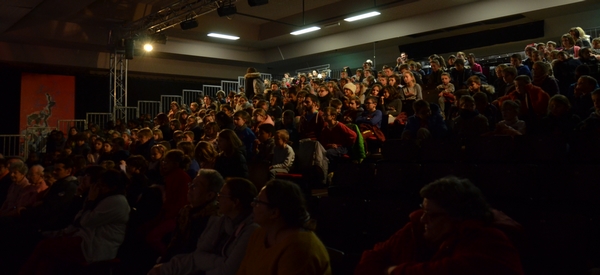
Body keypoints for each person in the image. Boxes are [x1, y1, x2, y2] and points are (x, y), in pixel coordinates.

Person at [355, 176, 524, 275]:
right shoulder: (416, 228)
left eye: (433, 215)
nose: (423, 219)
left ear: (458, 216)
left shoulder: (491, 241)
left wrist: (392, 271)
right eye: (423, 210)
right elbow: (372, 256)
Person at [20, 169, 130, 275]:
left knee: (43, 246)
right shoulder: (103, 198)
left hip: (95, 246)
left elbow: (85, 221)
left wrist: (90, 200)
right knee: (47, 259)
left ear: (113, 188)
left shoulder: (116, 202)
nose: (98, 188)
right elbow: (77, 219)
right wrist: (81, 197)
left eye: (102, 186)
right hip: (84, 238)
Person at [150, 177, 258, 275]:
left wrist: (207, 264)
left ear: (235, 202)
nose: (218, 198)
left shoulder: (250, 230)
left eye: (221, 195)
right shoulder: (220, 221)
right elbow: (198, 254)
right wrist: (165, 269)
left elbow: (229, 270)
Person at [237, 179, 331, 275]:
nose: (252, 204)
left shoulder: (299, 249)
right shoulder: (259, 234)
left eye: (258, 201)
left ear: (274, 213)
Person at [160, 169, 223, 263]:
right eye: (191, 184)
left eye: (196, 186)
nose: (190, 187)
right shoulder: (186, 211)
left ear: (209, 195)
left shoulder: (212, 220)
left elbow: (195, 254)